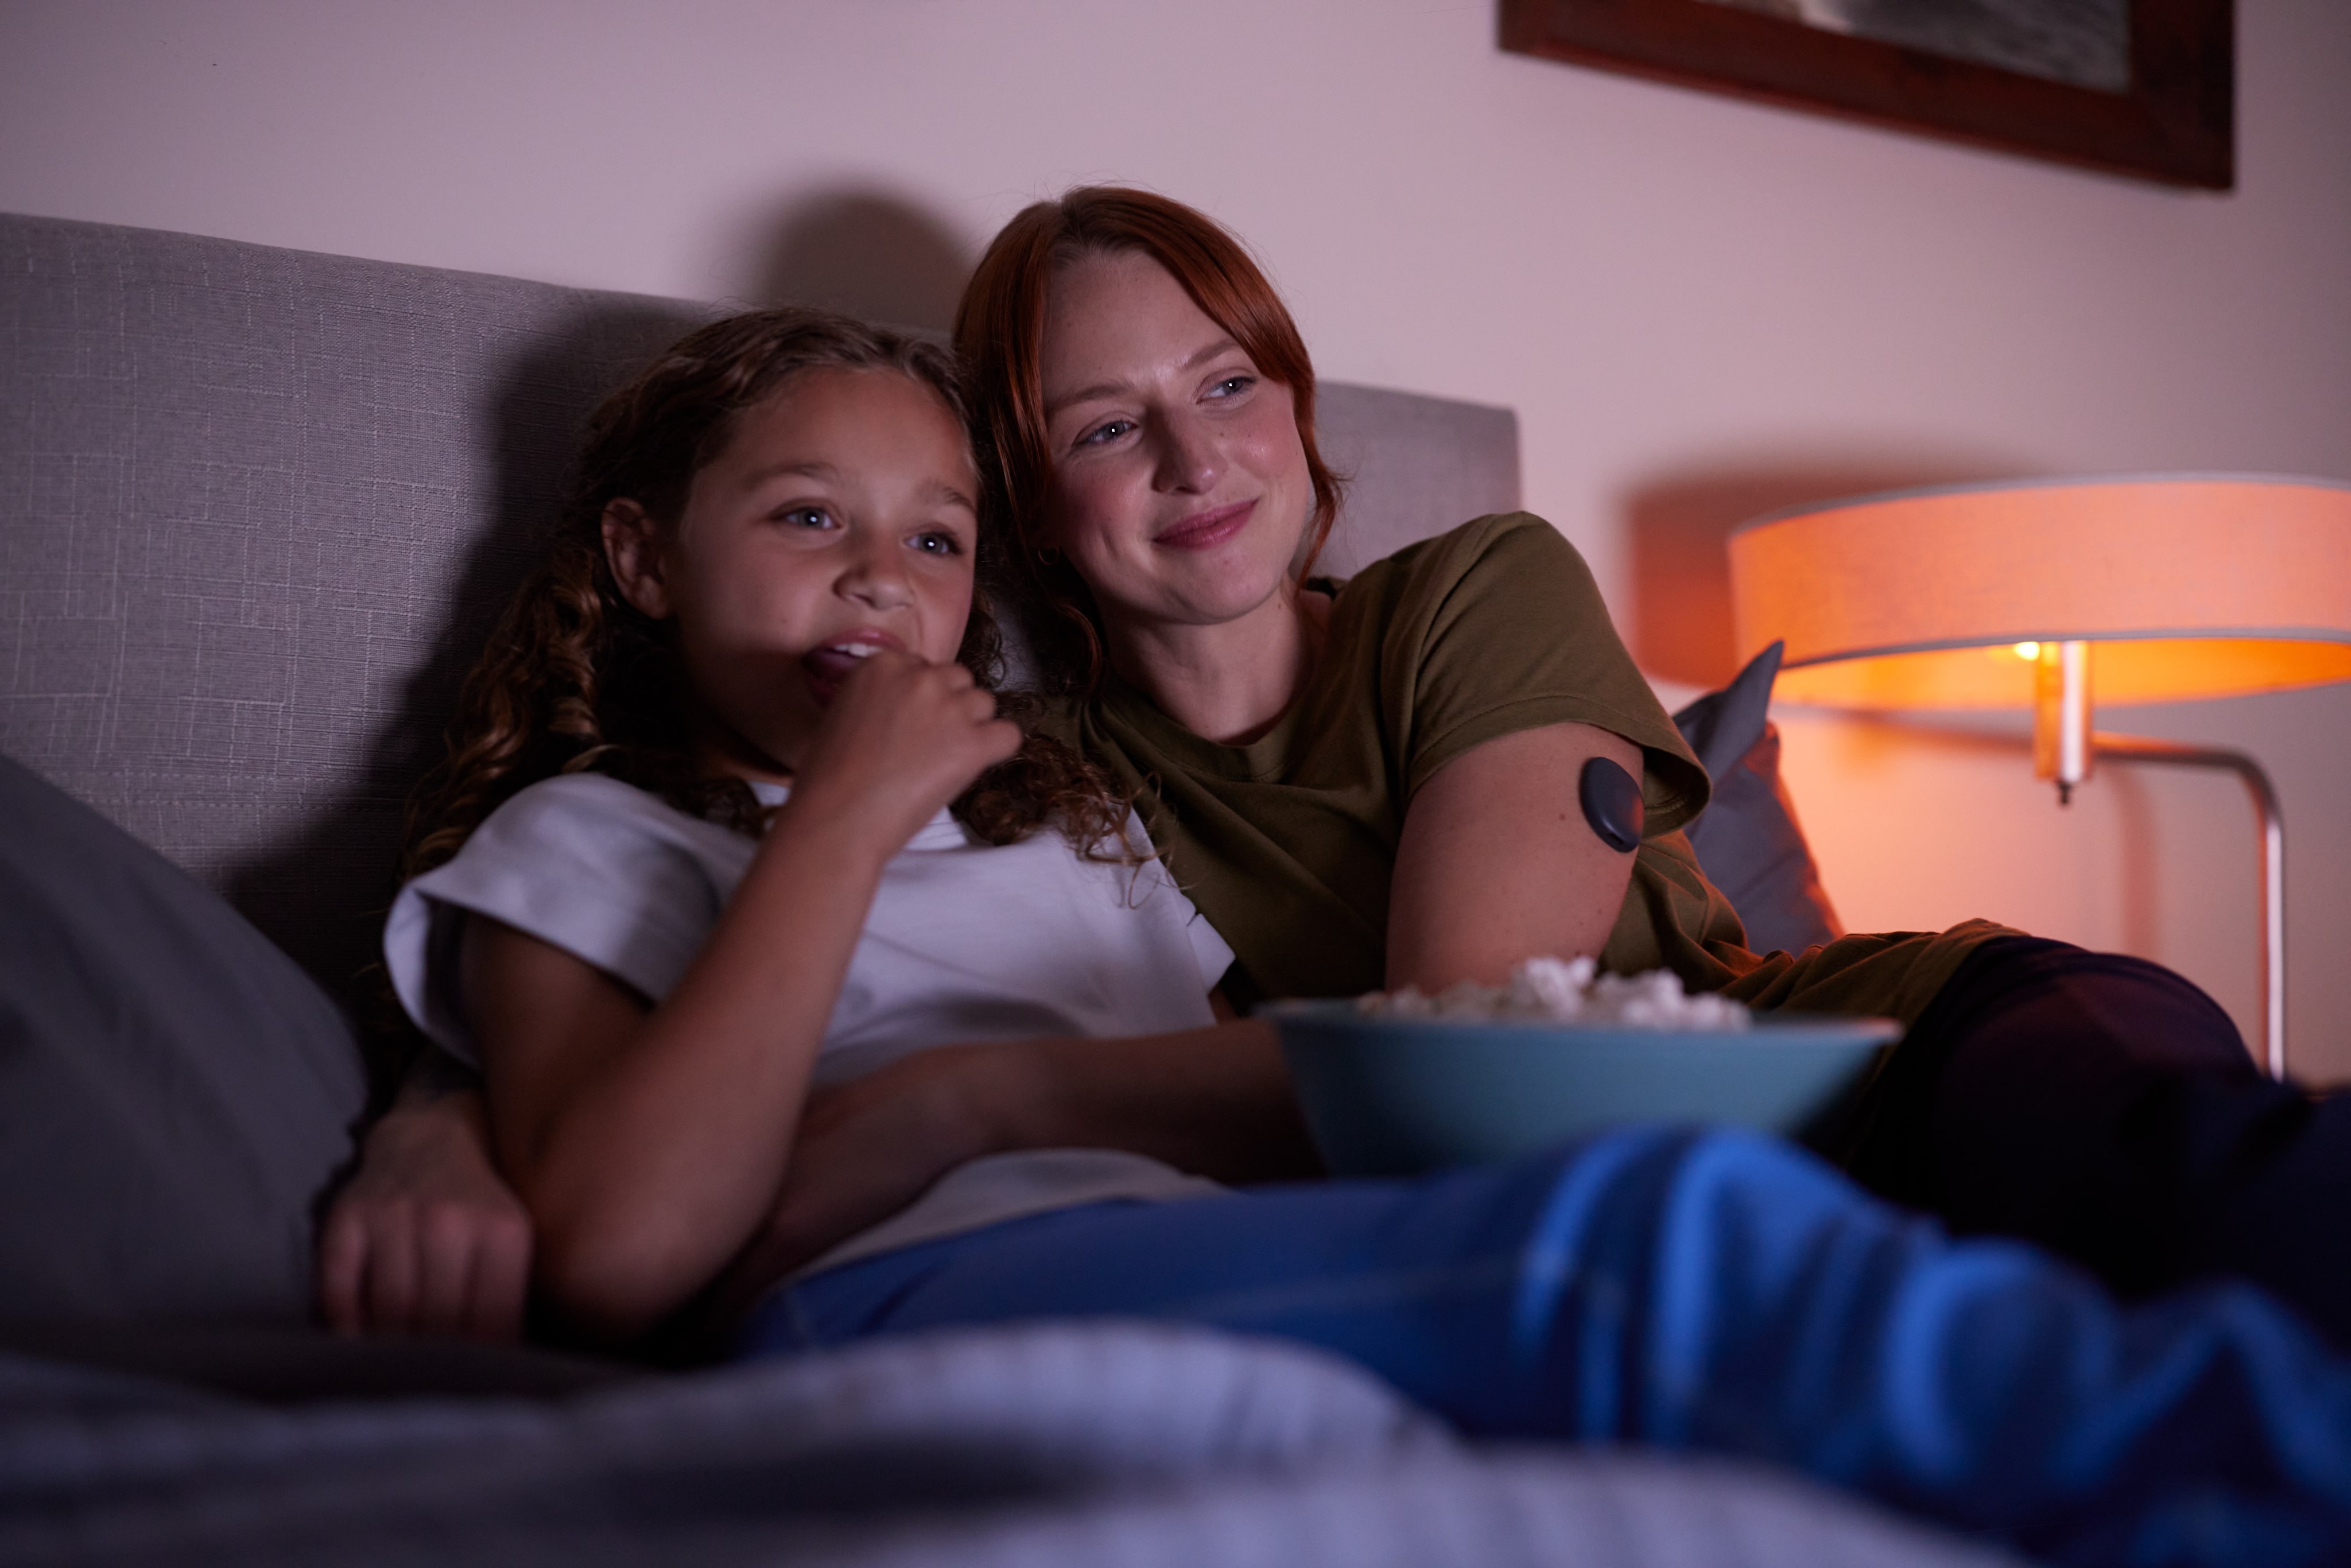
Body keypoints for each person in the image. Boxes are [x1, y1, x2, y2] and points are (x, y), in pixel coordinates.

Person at [319, 298, 2351, 1565]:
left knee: (1970, 1233)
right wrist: (451, 1093)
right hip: (908, 1289)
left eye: (932, 537)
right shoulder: (595, 840)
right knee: (1647, 1249)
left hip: (1243, 1233)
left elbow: (1321, 1077)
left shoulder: (1067, 819)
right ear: (637, 559)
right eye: (804, 517)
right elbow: (624, 1242)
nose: (880, 577)